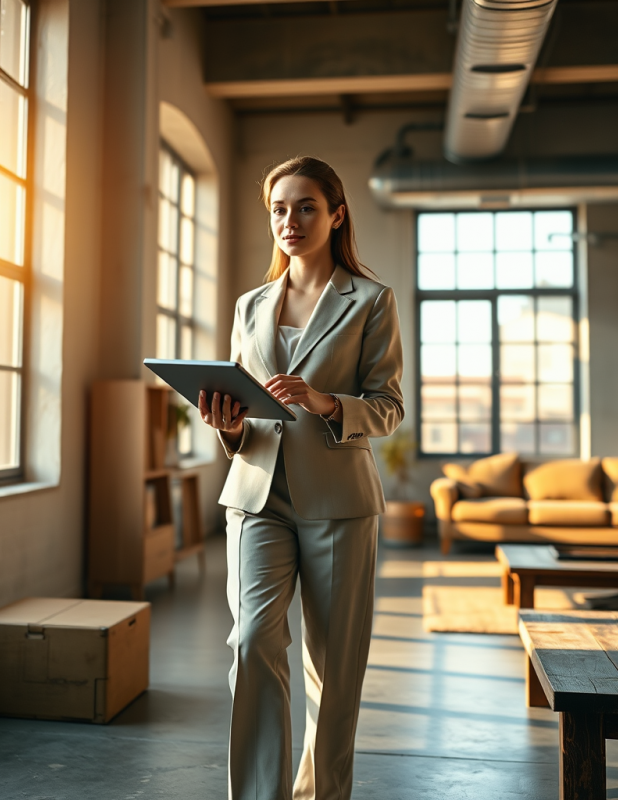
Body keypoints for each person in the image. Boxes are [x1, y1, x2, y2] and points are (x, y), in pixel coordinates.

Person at [198, 156, 404, 800]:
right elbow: (245, 412)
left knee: (334, 673)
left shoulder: (371, 301)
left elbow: (389, 406)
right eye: (280, 209)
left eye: (306, 206)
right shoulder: (250, 304)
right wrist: (226, 422)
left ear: (336, 214)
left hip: (339, 502)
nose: (290, 220)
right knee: (253, 641)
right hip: (257, 496)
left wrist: (324, 402)